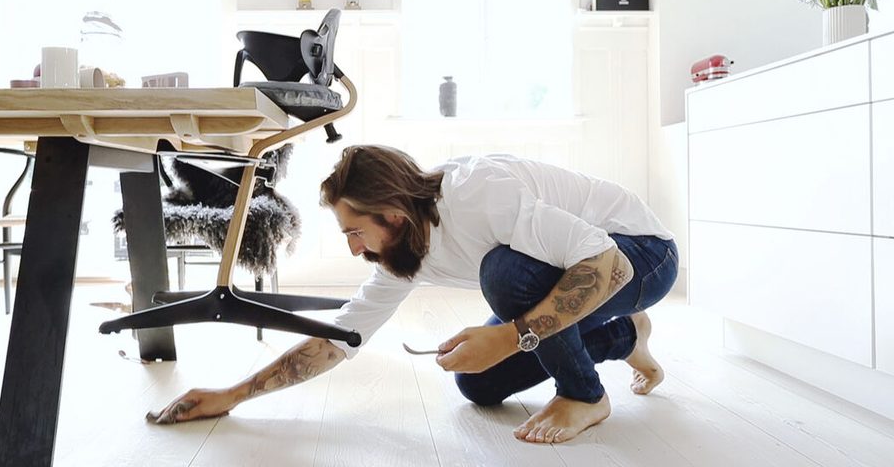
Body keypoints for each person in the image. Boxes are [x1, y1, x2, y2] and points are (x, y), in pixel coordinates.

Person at [146, 145, 678, 444]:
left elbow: (606, 263)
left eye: (356, 232)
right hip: (585, 272)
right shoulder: (403, 252)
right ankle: (623, 336)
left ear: (394, 216)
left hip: (642, 255)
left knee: (505, 275)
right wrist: (233, 395)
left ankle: (585, 396)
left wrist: (511, 337)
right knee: (478, 382)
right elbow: (340, 338)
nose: (354, 248)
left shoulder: (477, 195)